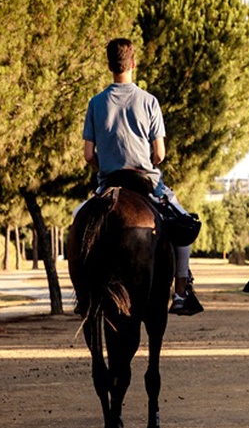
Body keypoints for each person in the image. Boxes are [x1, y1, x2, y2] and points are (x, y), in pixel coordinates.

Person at [82, 37, 203, 316]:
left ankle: (83, 292)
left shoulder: (95, 103)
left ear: (109, 65)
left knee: (81, 222)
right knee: (183, 224)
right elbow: (159, 153)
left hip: (109, 183)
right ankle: (182, 292)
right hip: (145, 181)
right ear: (133, 63)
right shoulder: (149, 101)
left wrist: (107, 165)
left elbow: (89, 155)